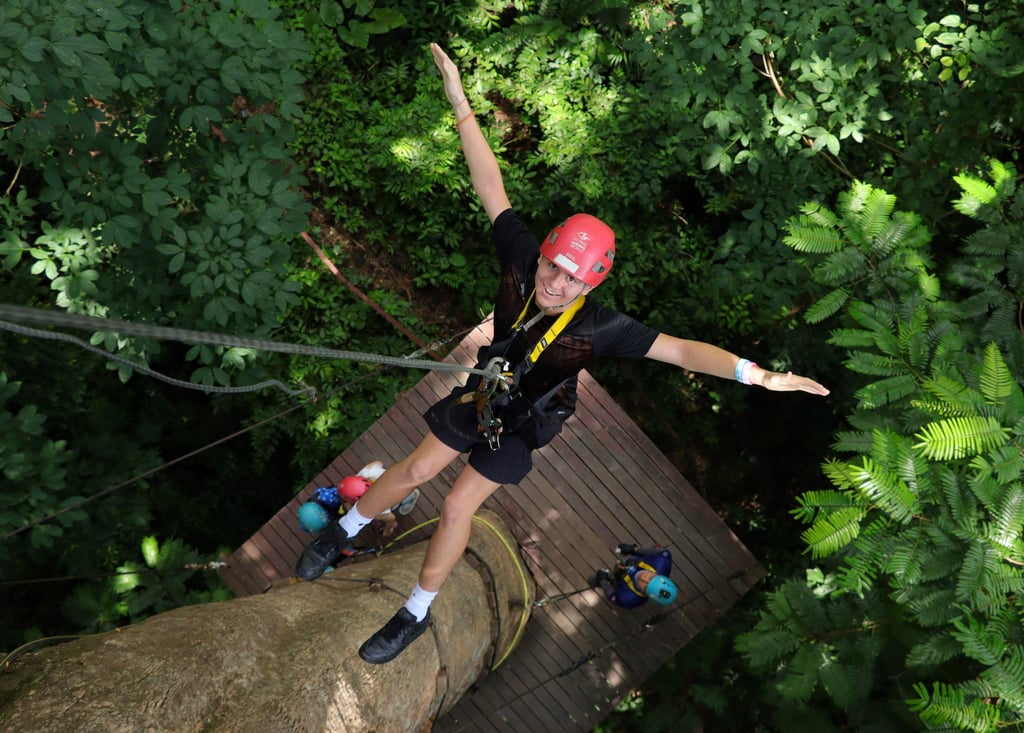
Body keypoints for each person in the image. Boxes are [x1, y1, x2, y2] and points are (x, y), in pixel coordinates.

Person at [294, 42, 830, 665]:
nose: (554, 283)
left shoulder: (601, 328)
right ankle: (343, 532)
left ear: (589, 286)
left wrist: (755, 374)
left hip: (527, 418)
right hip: (488, 386)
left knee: (458, 505)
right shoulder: (522, 261)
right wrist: (460, 102)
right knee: (414, 469)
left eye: (571, 279)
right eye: (553, 267)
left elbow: (681, 350)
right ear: (544, 254)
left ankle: (414, 614)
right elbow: (490, 184)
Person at [590, 543, 677, 608]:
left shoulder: (628, 599)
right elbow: (661, 552)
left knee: (615, 583)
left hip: (622, 582)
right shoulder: (662, 560)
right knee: (652, 551)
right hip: (639, 559)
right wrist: (633, 549)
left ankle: (607, 580)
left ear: (647, 595)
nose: (643, 579)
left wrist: (603, 581)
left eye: (645, 587)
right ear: (657, 574)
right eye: (651, 578)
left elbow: (613, 596)